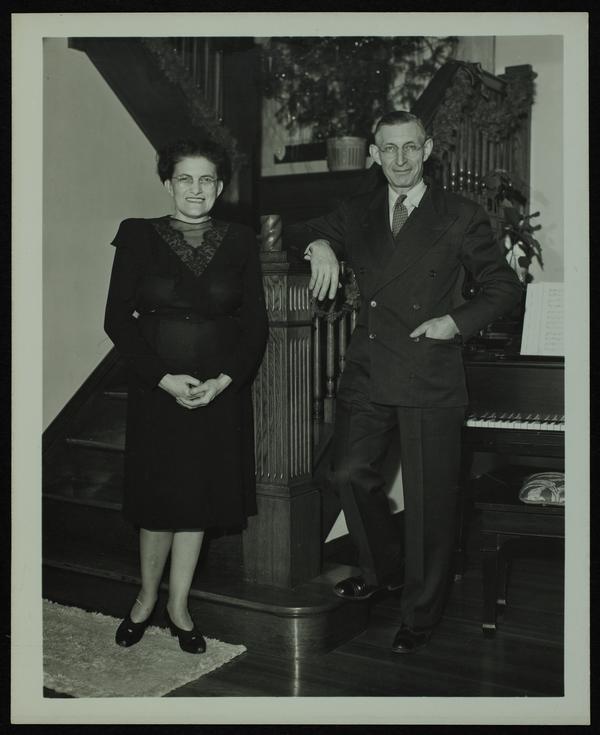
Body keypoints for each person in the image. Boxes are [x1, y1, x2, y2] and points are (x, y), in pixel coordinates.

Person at [289, 111, 522, 653]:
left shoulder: (459, 214)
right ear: (373, 153)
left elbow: (503, 287)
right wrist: (319, 246)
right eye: (389, 149)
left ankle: (420, 614)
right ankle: (386, 570)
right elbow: (304, 228)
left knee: (428, 502)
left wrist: (455, 322)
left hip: (429, 368)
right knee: (346, 472)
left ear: (428, 149)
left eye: (410, 148)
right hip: (368, 367)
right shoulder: (359, 211)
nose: (399, 160)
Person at [104, 138, 268, 654]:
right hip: (158, 389)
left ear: (219, 187)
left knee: (196, 501)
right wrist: (162, 379)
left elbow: (255, 326)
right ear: (167, 184)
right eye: (184, 179)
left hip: (216, 392)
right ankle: (144, 599)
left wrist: (223, 381)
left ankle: (178, 607)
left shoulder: (240, 241)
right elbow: (116, 320)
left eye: (206, 180)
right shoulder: (137, 235)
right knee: (158, 501)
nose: (195, 189)